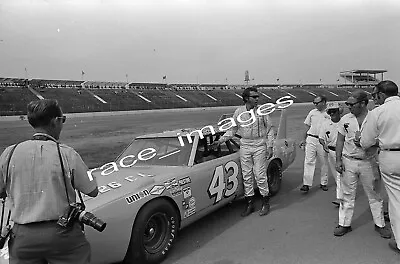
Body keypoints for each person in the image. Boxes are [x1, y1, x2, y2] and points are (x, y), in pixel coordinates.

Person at [0, 99, 99, 263]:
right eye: (63, 120)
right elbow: (92, 190)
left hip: (22, 236)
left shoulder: (9, 153)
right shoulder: (67, 154)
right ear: (55, 121)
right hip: (62, 233)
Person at [334, 90, 391, 238]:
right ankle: (344, 224)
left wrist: (369, 142)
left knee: (374, 194)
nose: (349, 107)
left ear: (363, 103)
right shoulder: (345, 119)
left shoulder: (375, 117)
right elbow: (340, 140)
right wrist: (338, 160)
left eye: (352, 104)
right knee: (347, 194)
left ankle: (380, 224)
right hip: (349, 161)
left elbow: (385, 138)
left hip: (368, 161)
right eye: (347, 104)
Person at [212, 87, 275, 217]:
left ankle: (265, 202)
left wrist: (270, 147)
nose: (257, 99)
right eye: (254, 97)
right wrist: (220, 140)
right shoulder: (239, 112)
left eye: (258, 97)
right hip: (245, 145)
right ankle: (250, 203)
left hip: (259, 145)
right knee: (246, 175)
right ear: (246, 98)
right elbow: (232, 130)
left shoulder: (262, 111)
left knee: (259, 174)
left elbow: (269, 130)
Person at [359, 80, 400, 253]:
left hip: (391, 156)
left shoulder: (378, 112)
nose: (375, 99)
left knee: (396, 201)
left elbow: (366, 141)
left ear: (382, 95)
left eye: (375, 95)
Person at [299, 95, 330, 193]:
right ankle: (306, 184)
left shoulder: (329, 112)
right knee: (309, 161)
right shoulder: (312, 113)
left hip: (323, 140)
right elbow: (306, 126)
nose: (315, 105)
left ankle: (323, 182)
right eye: (314, 103)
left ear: (324, 102)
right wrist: (303, 139)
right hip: (311, 138)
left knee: (324, 162)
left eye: (317, 103)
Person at [318, 101, 343, 207]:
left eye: (334, 111)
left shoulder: (344, 123)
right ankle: (344, 193)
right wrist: (324, 145)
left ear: (339, 112)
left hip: (344, 152)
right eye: (330, 112)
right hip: (331, 152)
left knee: (340, 175)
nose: (332, 114)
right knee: (337, 174)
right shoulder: (325, 124)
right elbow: (321, 138)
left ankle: (340, 197)